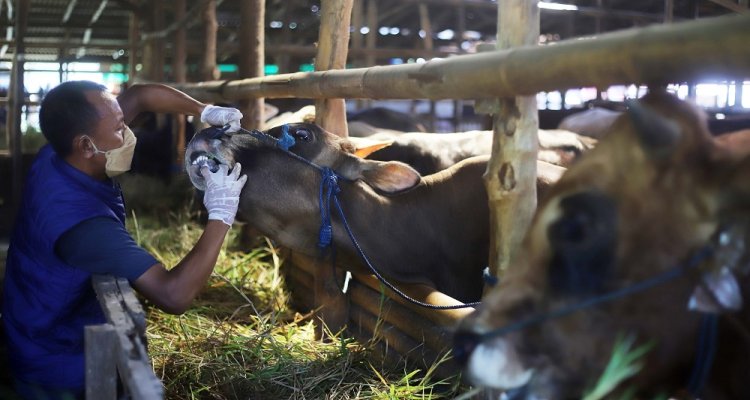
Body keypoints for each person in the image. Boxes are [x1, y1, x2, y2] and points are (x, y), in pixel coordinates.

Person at [1, 80, 247, 400]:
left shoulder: (57, 153)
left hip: (30, 315)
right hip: (57, 362)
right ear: (87, 146)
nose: (129, 133)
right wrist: (221, 212)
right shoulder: (84, 226)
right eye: (120, 128)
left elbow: (142, 95)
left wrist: (205, 110)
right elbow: (174, 294)